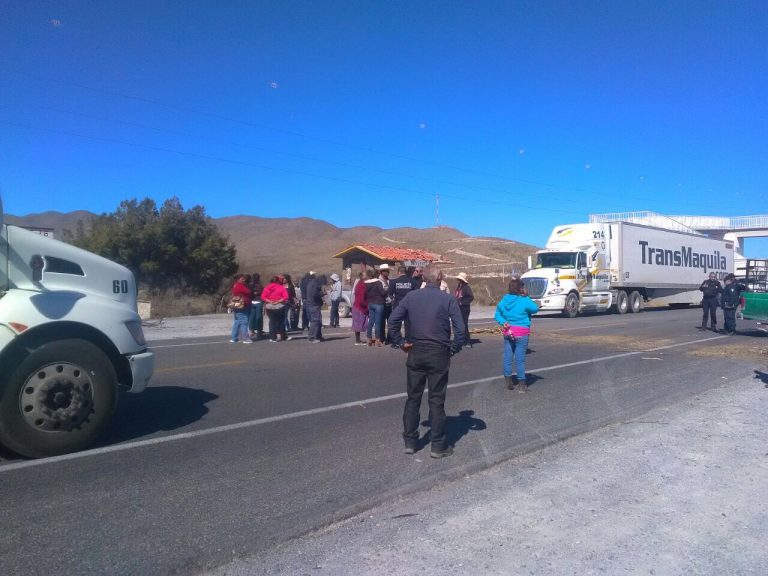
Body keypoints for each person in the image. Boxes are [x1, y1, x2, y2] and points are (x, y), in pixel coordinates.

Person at [388, 265, 465, 458]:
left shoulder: (411, 297)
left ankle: (410, 442)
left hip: (416, 351)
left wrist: (400, 343)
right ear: (439, 277)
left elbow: (393, 320)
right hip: (439, 352)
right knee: (436, 400)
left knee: (413, 398)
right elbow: (461, 330)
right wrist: (453, 349)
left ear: (424, 278)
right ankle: (438, 446)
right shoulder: (448, 299)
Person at [494, 277, 539, 391]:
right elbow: (535, 308)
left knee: (508, 355)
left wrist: (503, 322)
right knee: (520, 358)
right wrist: (527, 296)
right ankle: (522, 384)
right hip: (521, 332)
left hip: (508, 331)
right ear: (520, 289)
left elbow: (497, 315)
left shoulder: (503, 300)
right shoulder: (523, 300)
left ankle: (508, 380)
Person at [261, 275, 292, 342]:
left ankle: (272, 337)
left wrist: (270, 301)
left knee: (272, 321)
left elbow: (263, 297)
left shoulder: (267, 287)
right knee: (280, 322)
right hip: (280, 306)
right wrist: (278, 301)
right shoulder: (281, 287)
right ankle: (283, 336)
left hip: (269, 306)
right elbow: (286, 296)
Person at [365, 268, 388, 346]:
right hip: (379, 303)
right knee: (378, 323)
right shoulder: (378, 282)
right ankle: (378, 340)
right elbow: (383, 293)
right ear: (377, 274)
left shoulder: (366, 283)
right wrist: (387, 290)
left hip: (370, 303)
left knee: (371, 321)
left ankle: (369, 339)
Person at [229, 274, 254, 344]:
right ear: (238, 279)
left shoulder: (235, 285)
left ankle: (234, 338)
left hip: (237, 304)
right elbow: (249, 291)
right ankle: (245, 338)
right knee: (244, 321)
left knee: (237, 321)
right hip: (242, 304)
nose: (243, 280)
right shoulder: (240, 286)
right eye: (242, 279)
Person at [454, 272, 474, 348]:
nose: (458, 280)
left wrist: (462, 302)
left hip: (464, 309)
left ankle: (468, 341)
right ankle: (462, 340)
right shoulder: (459, 287)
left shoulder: (466, 288)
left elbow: (471, 297)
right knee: (459, 325)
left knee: (464, 325)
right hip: (458, 308)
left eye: (459, 279)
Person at [305, 273, 326, 343]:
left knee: (318, 321)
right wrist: (323, 293)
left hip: (312, 304)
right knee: (315, 321)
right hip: (314, 305)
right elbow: (315, 294)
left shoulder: (312, 283)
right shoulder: (316, 284)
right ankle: (311, 337)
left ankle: (318, 336)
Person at [351, 271, 368, 345]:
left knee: (357, 324)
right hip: (359, 306)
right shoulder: (362, 285)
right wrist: (367, 306)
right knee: (358, 324)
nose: (367, 276)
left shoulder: (359, 283)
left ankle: (358, 340)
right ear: (362, 276)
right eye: (366, 275)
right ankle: (357, 341)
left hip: (357, 305)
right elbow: (361, 299)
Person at [379, 264, 392, 342]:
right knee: (381, 322)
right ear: (382, 272)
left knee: (390, 321)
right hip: (382, 303)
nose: (388, 272)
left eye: (388, 271)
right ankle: (382, 338)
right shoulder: (379, 281)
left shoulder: (389, 280)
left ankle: (389, 338)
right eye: (386, 271)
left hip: (389, 304)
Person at [248, 273, 264, 339]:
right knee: (258, 317)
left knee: (253, 317)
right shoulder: (258, 285)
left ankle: (252, 330)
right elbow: (262, 292)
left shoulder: (250, 285)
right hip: (257, 301)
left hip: (254, 301)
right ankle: (258, 331)